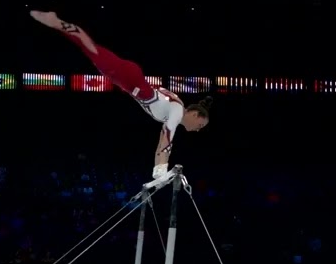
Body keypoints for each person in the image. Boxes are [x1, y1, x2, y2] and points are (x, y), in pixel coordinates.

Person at [29, 10, 210, 177]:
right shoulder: (177, 112)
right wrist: (161, 169)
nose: (198, 129)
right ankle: (57, 22)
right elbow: (167, 142)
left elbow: (163, 141)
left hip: (128, 81)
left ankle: (58, 24)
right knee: (91, 48)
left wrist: (158, 170)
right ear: (194, 114)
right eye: (200, 124)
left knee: (91, 50)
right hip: (130, 79)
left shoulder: (175, 109)